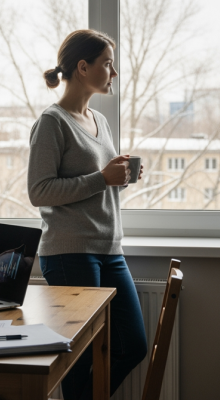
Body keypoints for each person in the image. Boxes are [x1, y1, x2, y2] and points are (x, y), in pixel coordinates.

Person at [27, 29, 147, 400]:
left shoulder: (100, 120)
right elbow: (39, 191)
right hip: (69, 253)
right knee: (78, 360)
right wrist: (101, 177)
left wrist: (120, 178)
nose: (113, 73)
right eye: (107, 64)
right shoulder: (52, 122)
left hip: (109, 250)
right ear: (83, 67)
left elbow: (97, 183)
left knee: (133, 345)